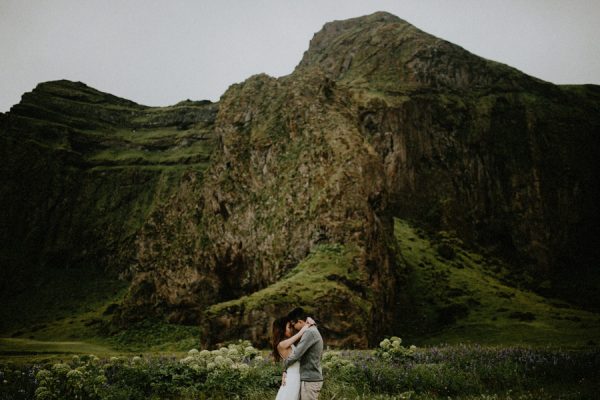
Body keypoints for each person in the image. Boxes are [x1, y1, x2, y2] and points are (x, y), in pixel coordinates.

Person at [283, 307, 324, 400]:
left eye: (293, 324)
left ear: (300, 322)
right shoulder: (312, 329)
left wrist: (284, 367)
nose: (293, 327)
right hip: (310, 378)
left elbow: (297, 354)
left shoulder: (310, 332)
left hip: (310, 380)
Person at [271, 315, 316, 400]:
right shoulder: (282, 344)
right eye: (288, 327)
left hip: (294, 376)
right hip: (293, 379)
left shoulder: (288, 343)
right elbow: (299, 334)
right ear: (281, 329)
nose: (291, 329)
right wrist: (307, 323)